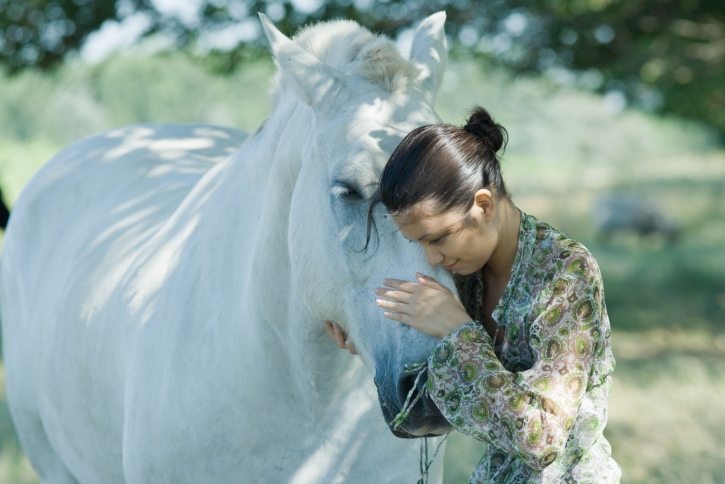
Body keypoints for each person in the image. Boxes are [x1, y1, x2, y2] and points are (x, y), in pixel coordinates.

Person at [325, 106, 621, 482]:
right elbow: (460, 388)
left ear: (483, 205)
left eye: (438, 237)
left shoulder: (565, 272)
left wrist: (457, 331)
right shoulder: (464, 274)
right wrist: (374, 341)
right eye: (418, 243)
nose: (432, 257)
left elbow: (542, 439)